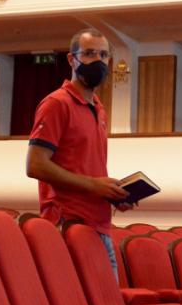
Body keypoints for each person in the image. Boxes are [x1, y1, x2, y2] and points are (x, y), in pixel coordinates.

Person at [25, 28, 133, 276]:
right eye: (89, 53)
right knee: (81, 301)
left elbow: (86, 168)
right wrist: (93, 185)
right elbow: (35, 165)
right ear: (71, 59)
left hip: (99, 225)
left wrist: (112, 194)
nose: (98, 61)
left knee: (109, 301)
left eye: (103, 55)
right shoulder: (56, 103)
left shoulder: (99, 108)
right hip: (68, 223)